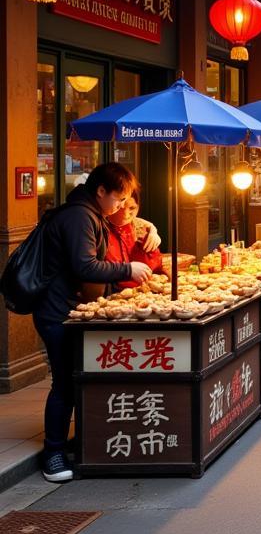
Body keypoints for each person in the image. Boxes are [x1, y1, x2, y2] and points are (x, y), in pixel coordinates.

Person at [33, 163, 153, 482]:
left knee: (75, 379)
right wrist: (128, 270)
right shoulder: (79, 216)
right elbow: (86, 267)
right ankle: (53, 453)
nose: (120, 206)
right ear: (100, 191)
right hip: (59, 312)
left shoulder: (90, 214)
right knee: (64, 382)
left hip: (74, 310)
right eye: (118, 197)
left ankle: (74, 442)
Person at [103, 187, 165, 290]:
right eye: (121, 208)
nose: (126, 214)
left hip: (140, 290)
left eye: (132, 208)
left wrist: (151, 249)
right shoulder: (99, 228)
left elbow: (153, 267)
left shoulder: (141, 228)